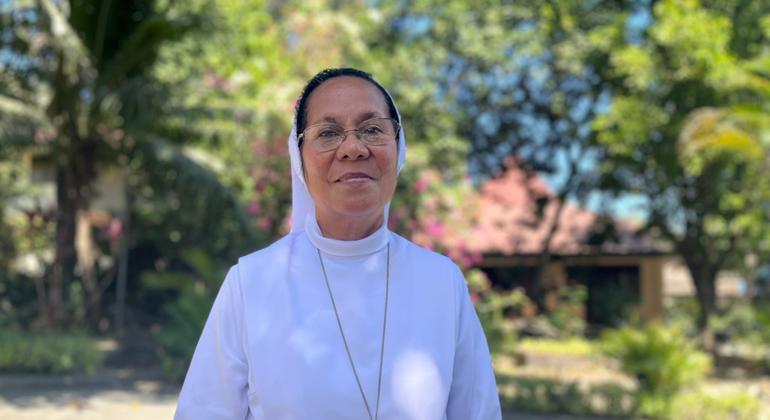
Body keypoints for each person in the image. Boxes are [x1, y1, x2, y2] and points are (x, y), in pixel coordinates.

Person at [174, 68, 501, 420]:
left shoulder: (441, 283)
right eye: (328, 133)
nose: (352, 148)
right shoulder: (251, 282)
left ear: (398, 146)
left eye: (372, 129)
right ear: (299, 158)